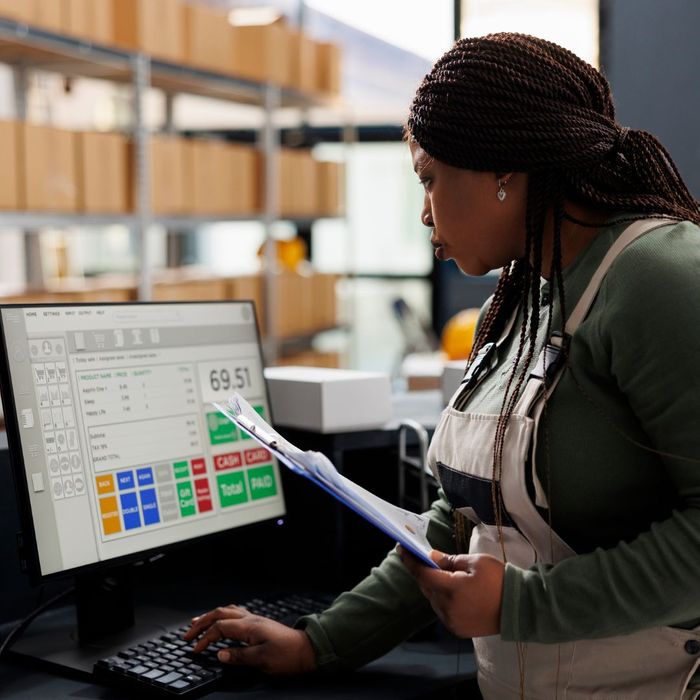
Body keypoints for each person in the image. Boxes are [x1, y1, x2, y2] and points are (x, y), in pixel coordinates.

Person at [185, 33, 700, 698]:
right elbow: (459, 521)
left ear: (503, 170)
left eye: (429, 178)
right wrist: (322, 643)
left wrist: (522, 605)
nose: (424, 211)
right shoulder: (525, 294)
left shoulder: (660, 278)